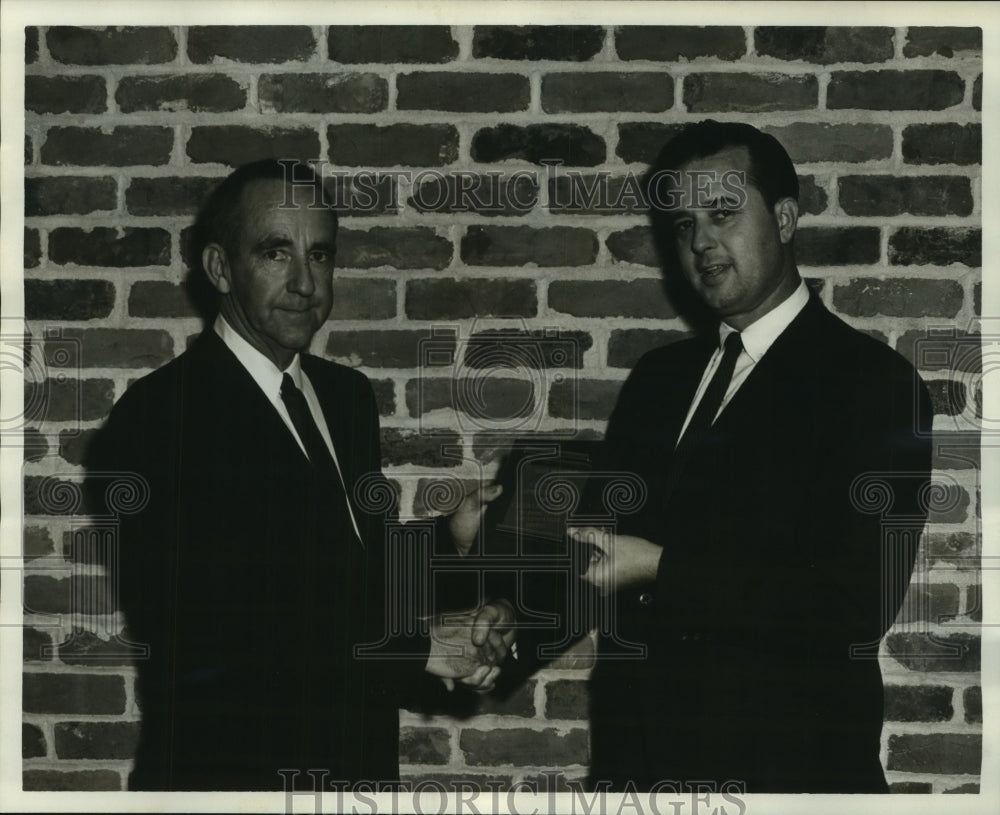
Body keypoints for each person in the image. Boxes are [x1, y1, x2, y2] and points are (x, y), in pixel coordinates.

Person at [85, 159, 514, 791]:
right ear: (219, 268)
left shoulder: (345, 397)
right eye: (274, 253)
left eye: (320, 255)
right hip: (230, 780)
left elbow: (345, 573)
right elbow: (218, 627)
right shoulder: (158, 417)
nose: (304, 283)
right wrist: (417, 648)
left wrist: (446, 538)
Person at [570, 120, 933, 793]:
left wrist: (663, 567)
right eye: (683, 224)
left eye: (723, 213)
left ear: (787, 217)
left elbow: (855, 602)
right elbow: (597, 549)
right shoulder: (658, 378)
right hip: (640, 775)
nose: (701, 239)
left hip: (790, 777)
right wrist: (505, 625)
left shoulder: (874, 384)